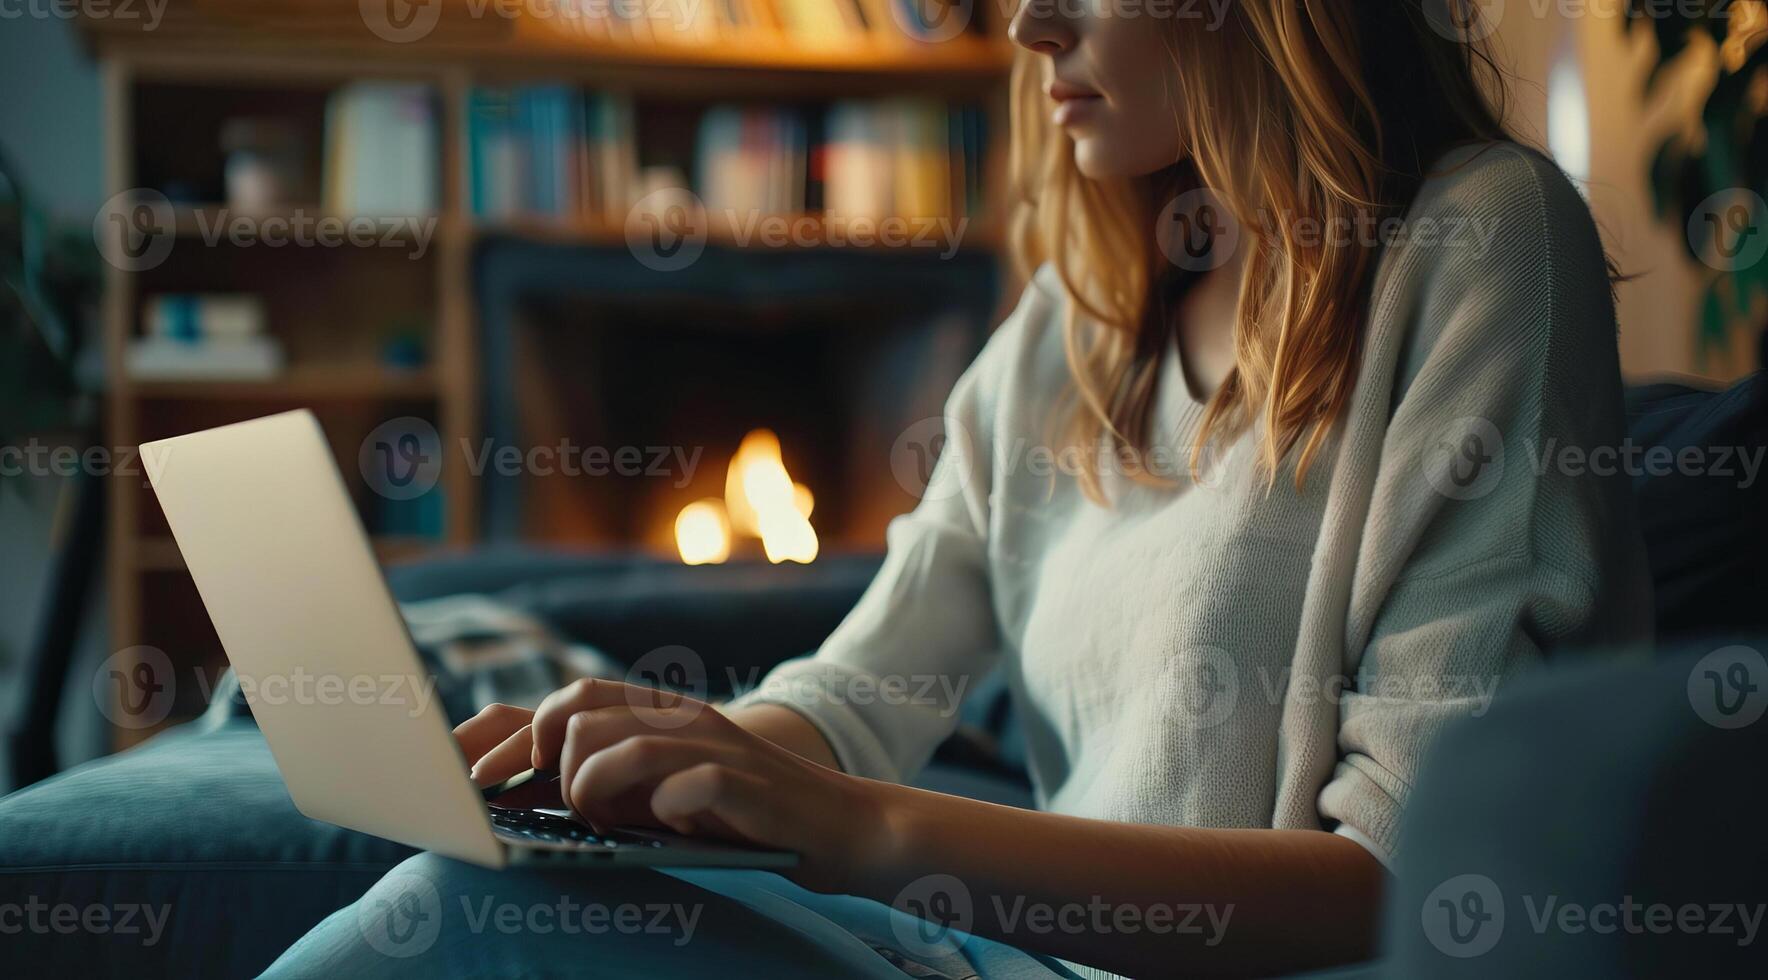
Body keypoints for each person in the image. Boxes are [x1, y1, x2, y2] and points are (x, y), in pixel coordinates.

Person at [268, 2, 1650, 976]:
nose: (1032, 22)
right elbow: (864, 691)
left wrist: (863, 831)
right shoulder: (1077, 318)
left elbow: (1405, 873)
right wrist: (673, 772)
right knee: (470, 885)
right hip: (986, 949)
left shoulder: (1484, 243)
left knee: (473, 933)